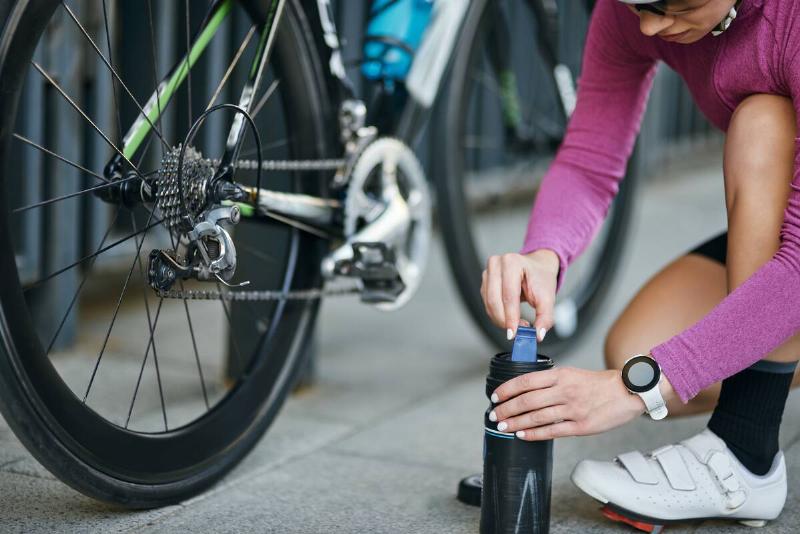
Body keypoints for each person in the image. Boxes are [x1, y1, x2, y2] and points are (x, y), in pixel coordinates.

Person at [480, 0, 800, 529]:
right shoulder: (630, 12)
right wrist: (544, 252)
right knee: (635, 346)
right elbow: (588, 159)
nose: (649, 24)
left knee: (764, 122)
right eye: (638, 3)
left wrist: (638, 387)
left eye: (674, 5)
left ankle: (747, 451)